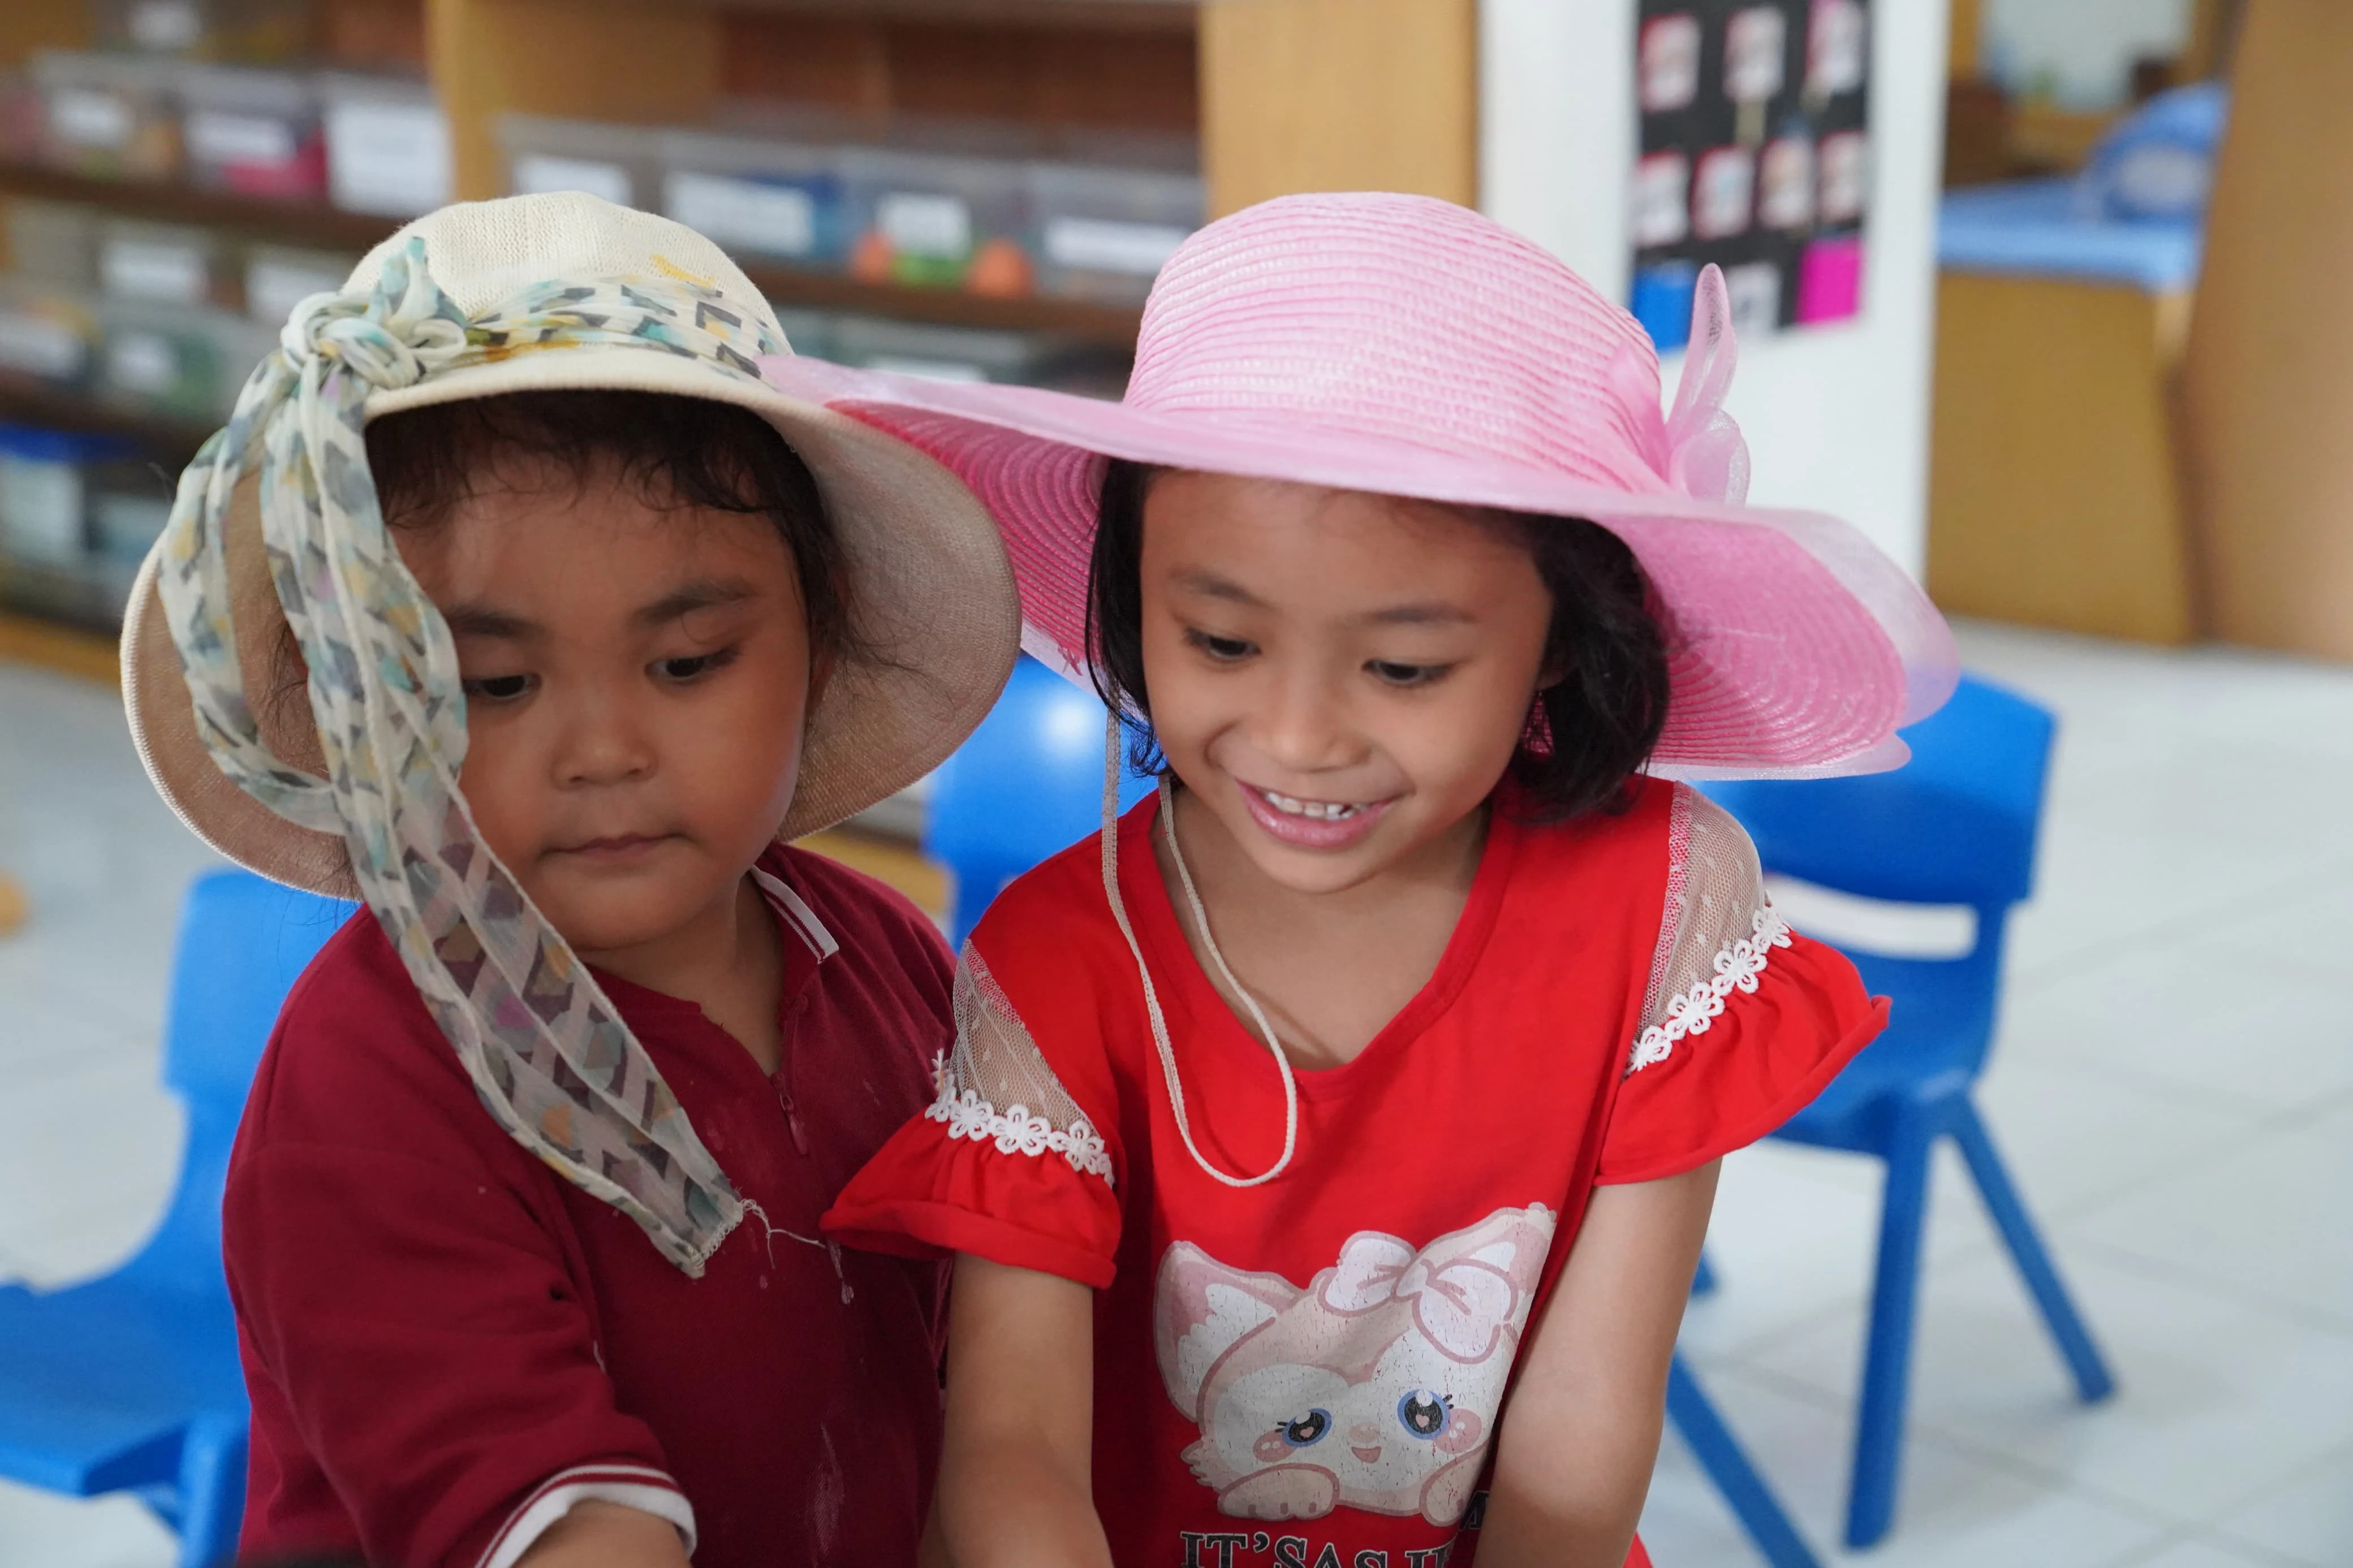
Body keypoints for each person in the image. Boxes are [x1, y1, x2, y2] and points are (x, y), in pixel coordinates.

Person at [785, 192, 1958, 1567]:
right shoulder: (1055, 956)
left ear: (1564, 645)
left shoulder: (1664, 896)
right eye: (1219, 641)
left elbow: (1582, 1436)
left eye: (1402, 668)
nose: (1298, 739)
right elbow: (1011, 1450)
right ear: (1132, 600)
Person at [119, 193, 1021, 1567]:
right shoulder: (373, 1082)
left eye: (688, 663)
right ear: (361, 705)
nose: (603, 752)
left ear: (820, 642)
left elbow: (999, 1357)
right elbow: (565, 1526)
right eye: (492, 684)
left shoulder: (884, 961)